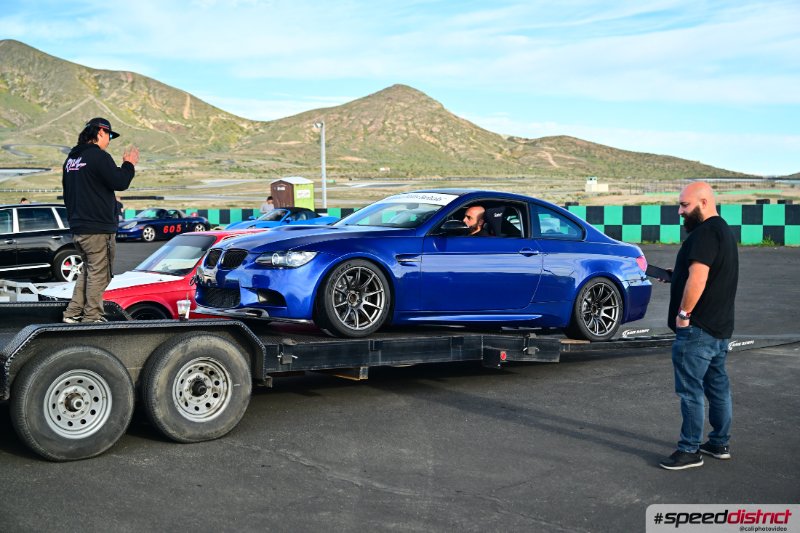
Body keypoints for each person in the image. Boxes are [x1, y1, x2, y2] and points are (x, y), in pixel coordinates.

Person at [659, 181, 739, 470]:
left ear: (704, 202)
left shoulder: (703, 233)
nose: (680, 211)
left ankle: (689, 450)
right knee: (717, 387)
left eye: (684, 205)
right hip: (719, 328)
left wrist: (683, 313)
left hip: (698, 330)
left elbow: (699, 278)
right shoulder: (723, 231)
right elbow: (705, 273)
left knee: (690, 390)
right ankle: (719, 443)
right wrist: (675, 274)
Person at [62, 117, 139, 324]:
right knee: (101, 273)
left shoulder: (71, 160)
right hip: (97, 228)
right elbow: (120, 181)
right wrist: (129, 164)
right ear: (100, 133)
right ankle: (91, 317)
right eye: (109, 136)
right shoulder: (98, 157)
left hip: (79, 226)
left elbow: (68, 193)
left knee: (89, 270)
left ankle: (73, 313)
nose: (109, 141)